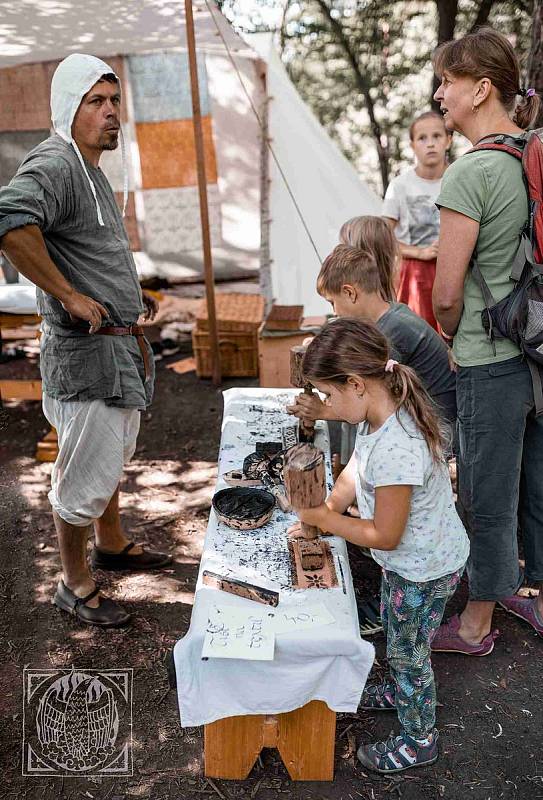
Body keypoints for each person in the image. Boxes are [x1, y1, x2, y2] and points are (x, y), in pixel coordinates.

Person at [0, 54, 172, 629]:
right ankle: (74, 584)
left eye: (114, 101)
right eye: (95, 103)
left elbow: (86, 248)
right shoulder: (55, 163)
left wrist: (130, 293)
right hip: (84, 353)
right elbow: (9, 220)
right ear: (66, 110)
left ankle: (112, 543)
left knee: (109, 456)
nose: (110, 114)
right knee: (81, 473)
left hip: (115, 345)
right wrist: (70, 296)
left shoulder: (89, 168)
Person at [287, 318, 469, 773]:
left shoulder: (398, 446)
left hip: (424, 568)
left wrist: (327, 520)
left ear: (355, 384)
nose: (326, 405)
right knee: (396, 626)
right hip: (409, 563)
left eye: (328, 395)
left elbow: (384, 534)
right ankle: (398, 690)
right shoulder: (381, 416)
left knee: (410, 655)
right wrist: (327, 510)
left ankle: (419, 738)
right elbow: (352, 471)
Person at [430, 27, 543, 654]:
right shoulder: (531, 154)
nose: (440, 94)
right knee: (538, 480)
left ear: (481, 88)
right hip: (539, 350)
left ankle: (475, 624)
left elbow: (447, 294)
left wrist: (450, 332)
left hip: (491, 358)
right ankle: (534, 599)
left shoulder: (470, 174)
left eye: (448, 82)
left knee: (485, 491)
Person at [383, 111, 451, 330]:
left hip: (454, 269)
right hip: (413, 275)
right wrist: (419, 252)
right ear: (412, 145)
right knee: (417, 334)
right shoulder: (400, 186)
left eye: (437, 136)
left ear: (448, 140)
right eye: (422, 138)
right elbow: (382, 237)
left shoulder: (459, 178)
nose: (430, 144)